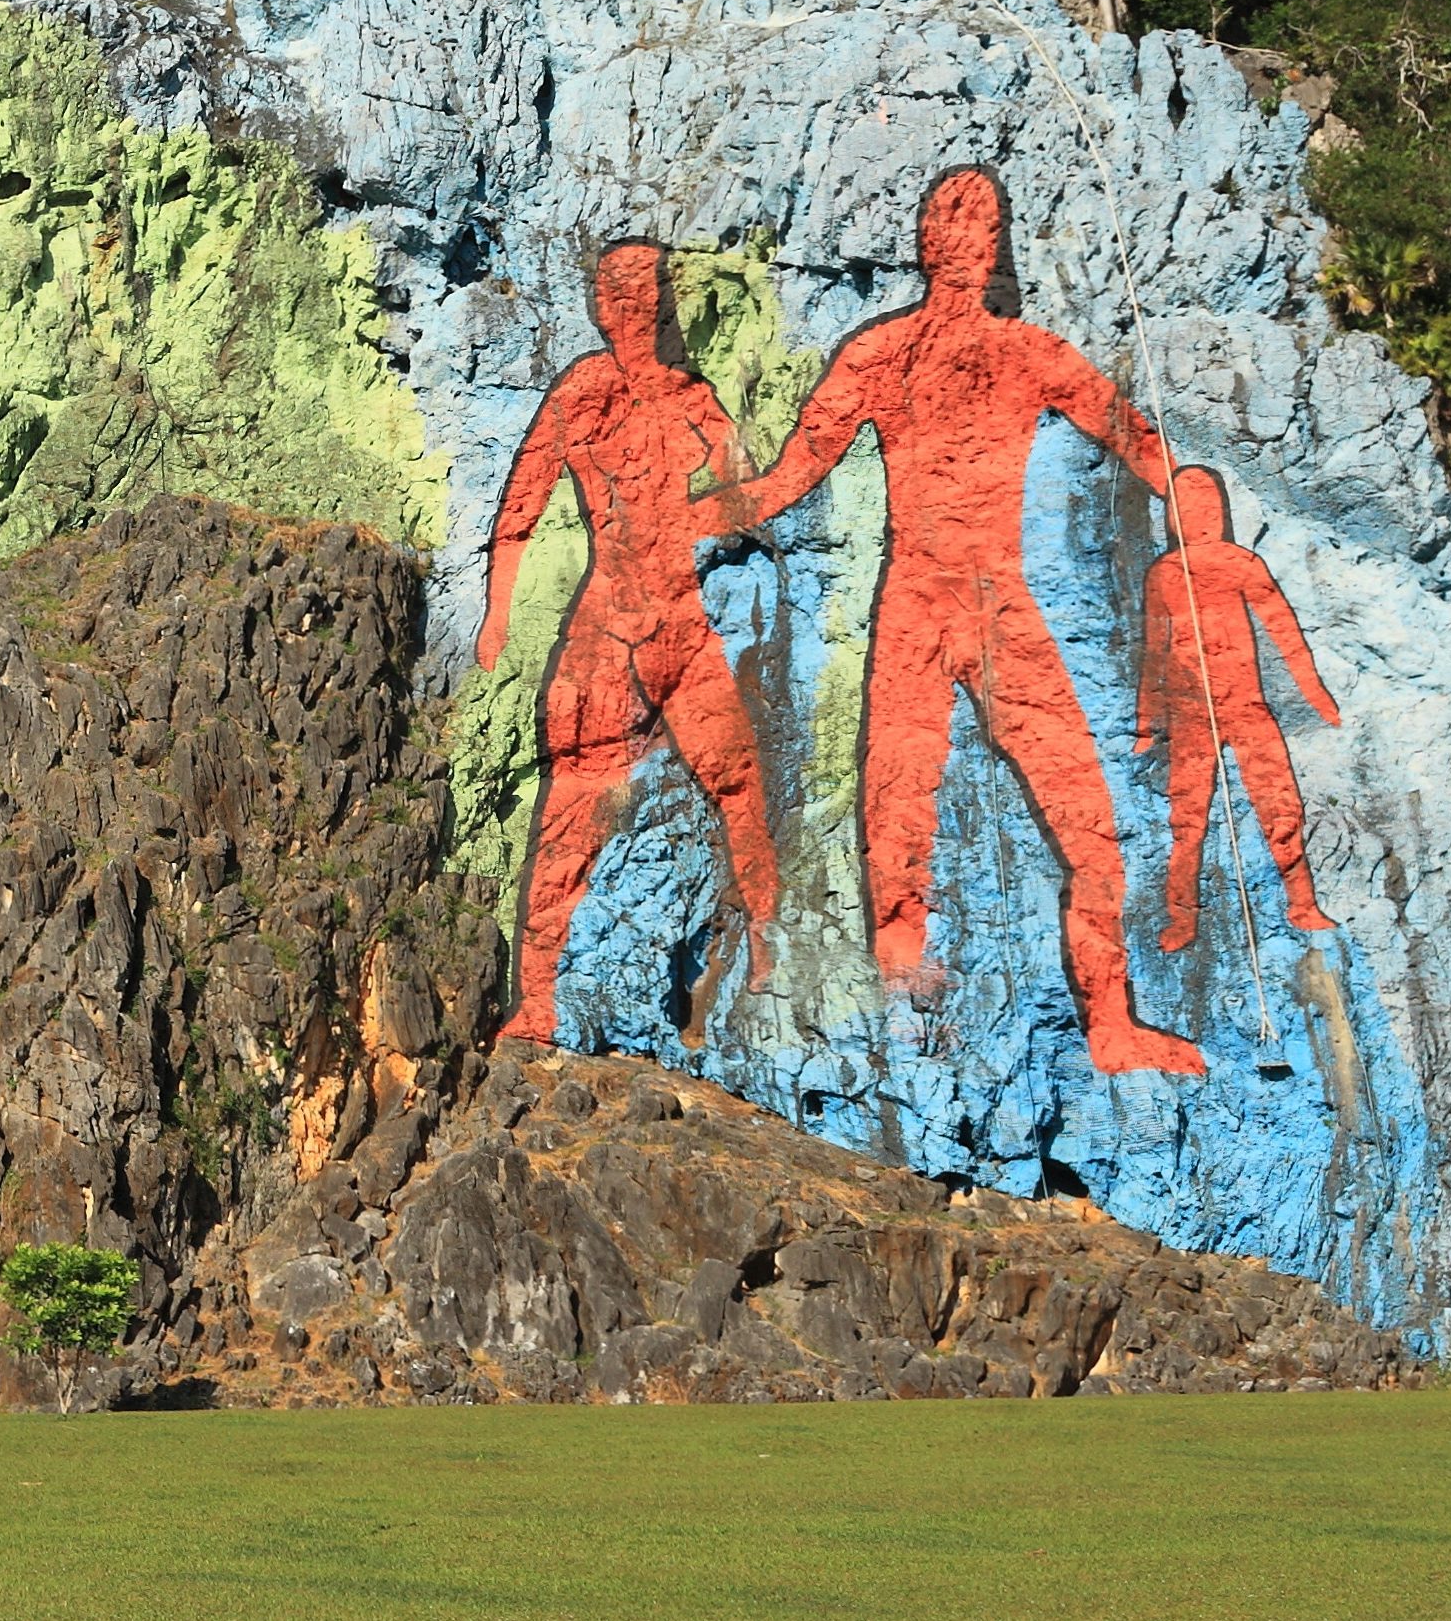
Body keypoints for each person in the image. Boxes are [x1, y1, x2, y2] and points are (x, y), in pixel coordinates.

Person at [709, 165, 1204, 1076]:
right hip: (914, 602)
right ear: (927, 242)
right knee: (896, 814)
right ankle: (901, 1015)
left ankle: (1110, 1024)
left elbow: (1133, 436)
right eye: (951, 217)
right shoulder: (878, 355)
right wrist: (704, 515)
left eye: (984, 221)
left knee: (1088, 820)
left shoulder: (1031, 355)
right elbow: (792, 476)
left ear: (998, 243)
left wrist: (1190, 503)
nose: (969, 234)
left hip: (999, 605)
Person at [474, 239, 779, 1044]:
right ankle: (537, 1000)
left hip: (680, 622)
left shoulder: (692, 395)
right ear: (602, 306)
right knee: (573, 805)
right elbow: (521, 503)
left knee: (740, 786)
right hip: (605, 629)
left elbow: (746, 489)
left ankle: (772, 968)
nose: (636, 306)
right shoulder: (582, 390)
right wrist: (496, 616)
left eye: (649, 292)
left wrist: (707, 509)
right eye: (620, 291)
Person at [1134, 464, 1344, 950]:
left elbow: (1286, 634)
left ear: (1222, 511)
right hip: (1191, 716)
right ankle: (1182, 919)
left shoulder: (1241, 563)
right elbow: (1154, 653)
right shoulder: (1164, 575)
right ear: (1172, 517)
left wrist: (1318, 697)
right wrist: (1148, 723)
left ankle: (1303, 903)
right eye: (1186, 508)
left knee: (1282, 807)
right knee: (1187, 823)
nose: (1199, 515)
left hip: (1248, 708)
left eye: (1207, 505)